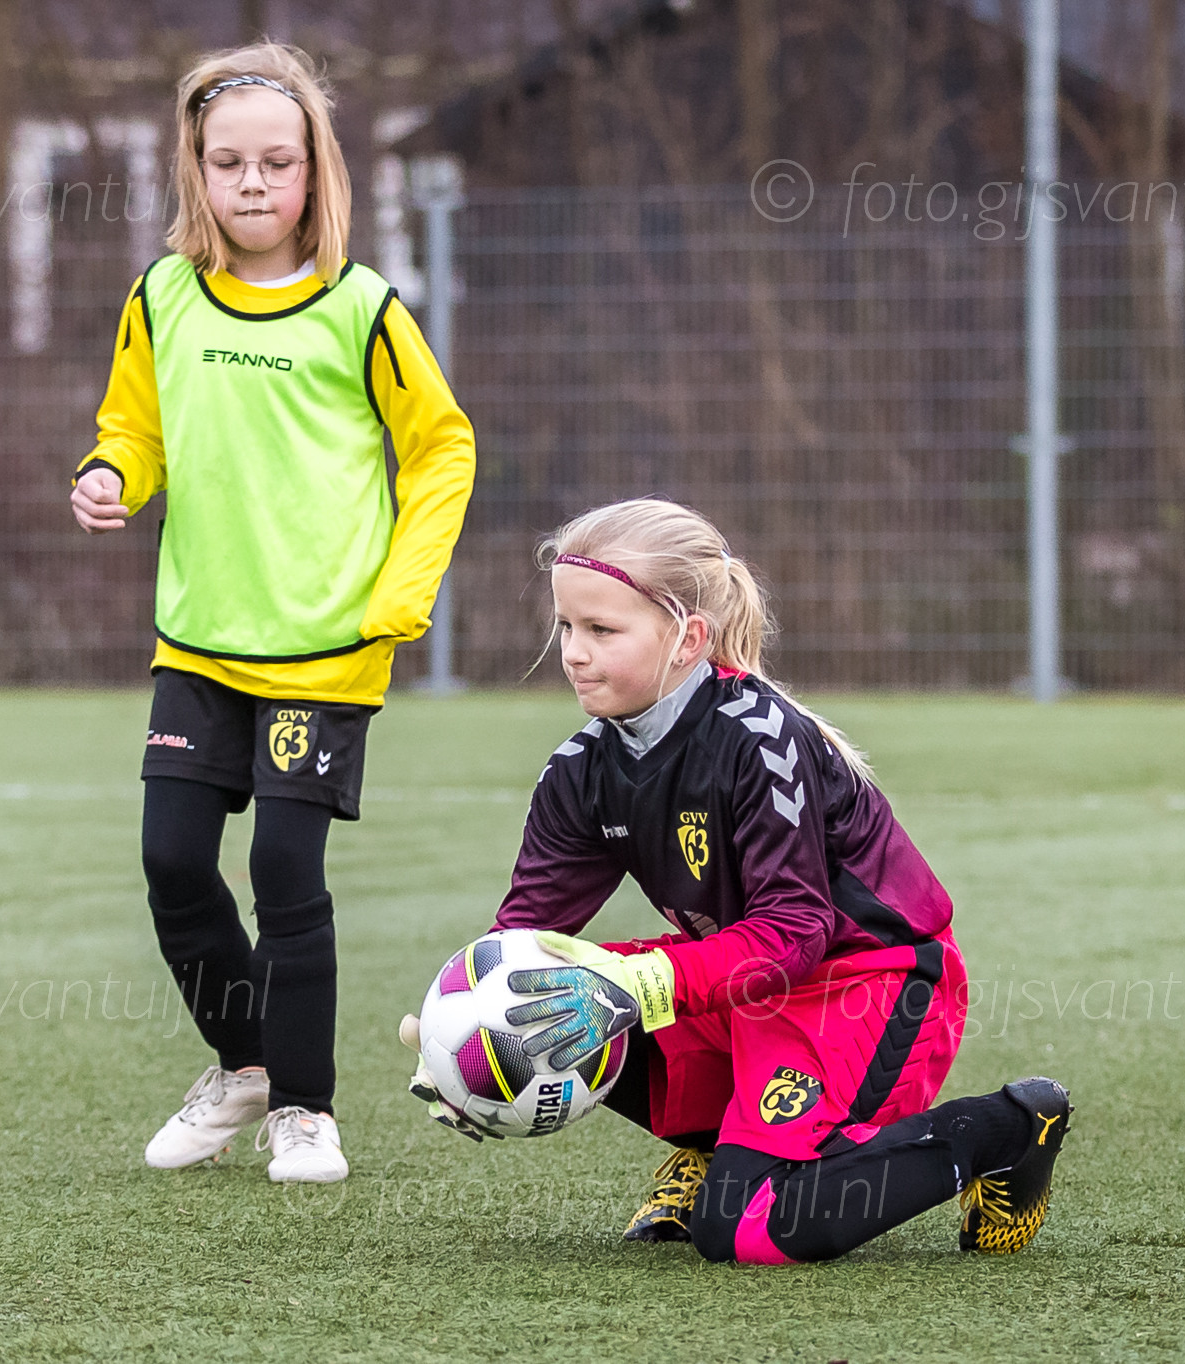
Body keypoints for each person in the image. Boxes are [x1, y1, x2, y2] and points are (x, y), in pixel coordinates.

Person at [404, 498, 1070, 1262]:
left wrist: (638, 985)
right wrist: (464, 1039)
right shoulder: (578, 771)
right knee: (552, 989)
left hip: (866, 982)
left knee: (752, 1228)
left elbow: (796, 932)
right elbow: (524, 941)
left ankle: (1008, 1128)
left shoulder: (760, 740)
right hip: (746, 978)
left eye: (602, 630)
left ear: (688, 638)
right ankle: (718, 1144)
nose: (574, 654)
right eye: (566, 628)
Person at [71, 42, 474, 1184]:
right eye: (227, 162)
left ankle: (304, 1107)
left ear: (315, 172)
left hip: (324, 648)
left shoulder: (362, 308)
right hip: (198, 642)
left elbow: (441, 447)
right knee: (171, 861)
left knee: (285, 873)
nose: (252, 182)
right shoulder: (159, 296)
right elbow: (136, 428)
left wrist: (402, 590)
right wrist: (110, 474)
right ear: (195, 170)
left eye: (277, 162)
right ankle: (244, 1064)